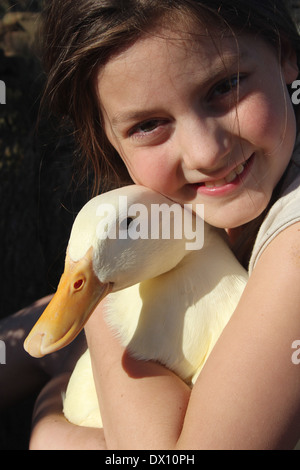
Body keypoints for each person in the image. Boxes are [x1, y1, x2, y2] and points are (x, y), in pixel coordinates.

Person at [19, 0, 300, 449]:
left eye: (224, 87)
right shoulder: (194, 212)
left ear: (287, 54)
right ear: (108, 142)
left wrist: (51, 420)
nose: (206, 153)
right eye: (150, 124)